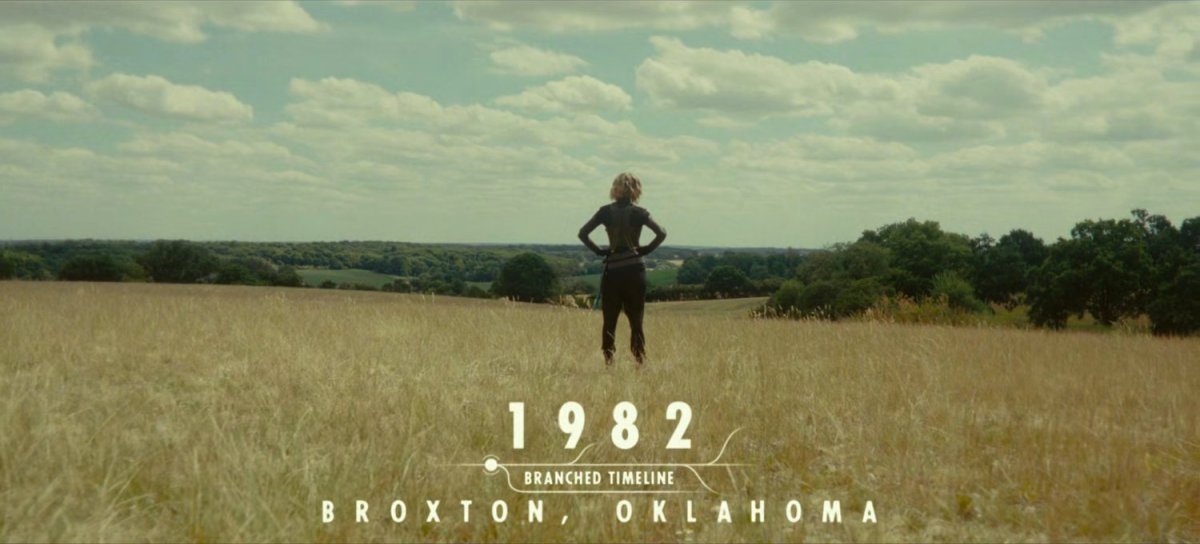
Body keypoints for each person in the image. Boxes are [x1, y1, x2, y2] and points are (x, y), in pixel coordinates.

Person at [578, 172, 667, 367]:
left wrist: (600, 251)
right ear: (636, 190)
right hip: (635, 270)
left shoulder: (604, 212)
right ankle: (639, 361)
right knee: (636, 321)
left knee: (609, 321)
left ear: (615, 189)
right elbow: (661, 232)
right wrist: (645, 250)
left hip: (613, 270)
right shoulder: (640, 213)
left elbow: (583, 233)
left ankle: (609, 362)